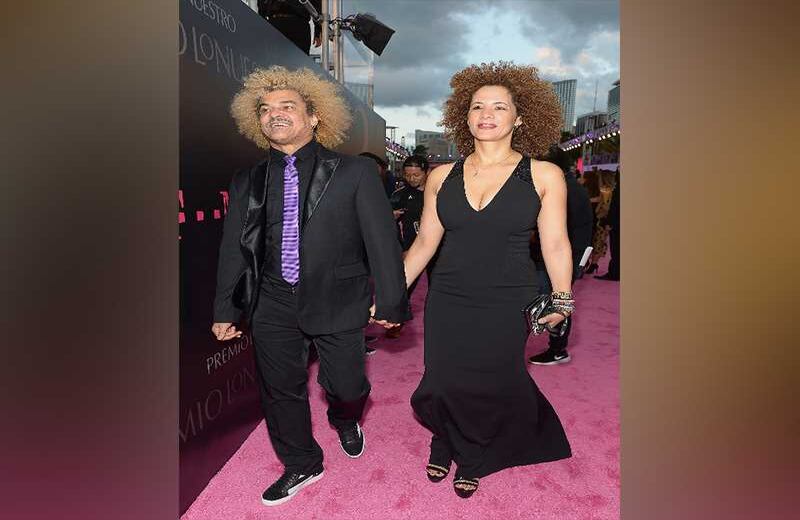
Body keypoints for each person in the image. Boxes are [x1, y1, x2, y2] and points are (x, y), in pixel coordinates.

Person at [212, 66, 409, 506]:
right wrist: (226, 309)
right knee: (280, 389)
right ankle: (302, 462)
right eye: (265, 109)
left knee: (348, 386)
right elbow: (233, 250)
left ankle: (345, 416)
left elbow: (382, 242)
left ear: (315, 116)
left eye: (287, 106)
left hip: (338, 298)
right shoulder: (247, 180)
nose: (274, 114)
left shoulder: (355, 171)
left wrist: (392, 302)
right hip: (272, 301)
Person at [403, 62, 573, 498]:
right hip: (449, 295)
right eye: (478, 106)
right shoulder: (441, 177)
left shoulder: (544, 175)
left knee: (491, 380)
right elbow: (423, 245)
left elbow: (555, 244)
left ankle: (474, 454)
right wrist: (389, 293)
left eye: (500, 106)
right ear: (465, 116)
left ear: (519, 118)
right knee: (442, 378)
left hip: (508, 297)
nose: (487, 113)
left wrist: (562, 302)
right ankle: (445, 437)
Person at [528, 146, 594, 365]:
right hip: (564, 254)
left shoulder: (564, 188)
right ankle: (558, 349)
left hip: (561, 256)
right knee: (552, 299)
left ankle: (558, 349)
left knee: (552, 300)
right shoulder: (567, 185)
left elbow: (559, 232)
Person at [384, 155, 432, 339]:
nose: (412, 178)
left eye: (416, 175)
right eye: (408, 175)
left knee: (440, 289)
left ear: (427, 172)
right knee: (404, 285)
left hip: (441, 250)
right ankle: (395, 321)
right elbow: (382, 218)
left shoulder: (439, 192)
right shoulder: (400, 194)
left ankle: (442, 324)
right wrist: (391, 217)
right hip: (412, 249)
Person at [258, 0, 322, 55]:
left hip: (298, 24)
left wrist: (318, 30)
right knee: (274, 62)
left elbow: (316, 5)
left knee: (300, 62)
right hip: (276, 21)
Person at [596, 170, 620, 280]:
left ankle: (614, 273)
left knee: (615, 249)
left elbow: (613, 208)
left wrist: (609, 222)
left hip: (615, 223)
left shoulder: (613, 190)